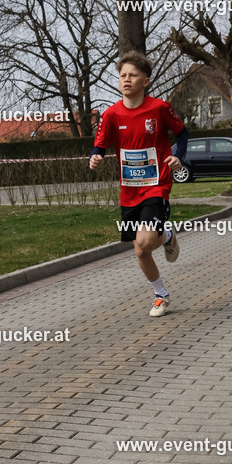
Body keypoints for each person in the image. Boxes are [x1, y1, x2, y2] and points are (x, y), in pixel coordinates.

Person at [89, 51, 188, 317]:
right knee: (138, 249)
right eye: (122, 75)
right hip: (129, 188)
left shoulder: (159, 108)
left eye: (133, 75)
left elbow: (182, 132)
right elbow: (99, 144)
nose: (126, 79)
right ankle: (161, 293)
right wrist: (95, 156)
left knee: (144, 242)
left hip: (157, 184)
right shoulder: (110, 114)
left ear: (146, 81)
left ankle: (164, 236)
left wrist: (178, 156)